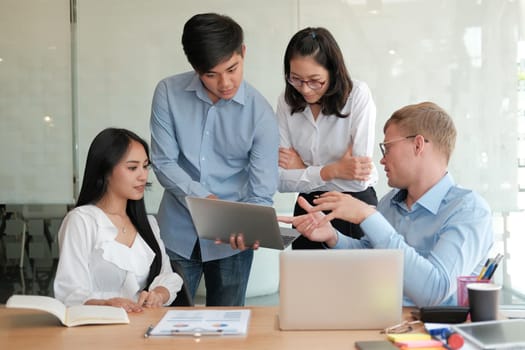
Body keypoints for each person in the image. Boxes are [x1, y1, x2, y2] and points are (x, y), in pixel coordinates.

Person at [278, 102, 494, 306]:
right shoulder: (391, 202)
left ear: (418, 145)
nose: (382, 160)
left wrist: (368, 217)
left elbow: (434, 292)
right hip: (379, 320)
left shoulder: (468, 210)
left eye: (387, 148)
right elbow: (372, 255)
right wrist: (333, 237)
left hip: (435, 336)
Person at [149, 13, 279, 306]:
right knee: (167, 322)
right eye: (211, 74)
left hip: (232, 242)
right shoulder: (168, 93)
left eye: (232, 69)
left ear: (243, 52)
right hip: (177, 232)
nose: (225, 83)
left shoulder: (261, 114)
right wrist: (204, 200)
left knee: (228, 326)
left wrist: (252, 228)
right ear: (195, 69)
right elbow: (163, 162)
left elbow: (261, 192)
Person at [54, 128, 183, 312]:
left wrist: (158, 295)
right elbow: (69, 293)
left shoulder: (148, 224)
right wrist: (105, 304)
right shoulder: (81, 221)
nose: (143, 175)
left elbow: (167, 276)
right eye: (132, 167)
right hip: (94, 331)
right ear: (105, 170)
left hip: (140, 329)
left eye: (145, 166)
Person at [277, 27, 378, 249]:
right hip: (307, 209)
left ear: (333, 72)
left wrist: (303, 168)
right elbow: (281, 180)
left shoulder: (357, 96)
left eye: (315, 81)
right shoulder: (286, 102)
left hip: (353, 205)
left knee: (355, 282)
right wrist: (332, 170)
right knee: (307, 282)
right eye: (296, 79)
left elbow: (358, 178)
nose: (305, 89)